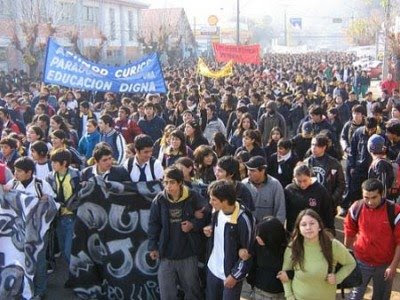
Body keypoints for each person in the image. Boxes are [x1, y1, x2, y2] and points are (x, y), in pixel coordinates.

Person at [148, 167, 206, 300]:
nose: (168, 186)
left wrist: (193, 224)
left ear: (180, 182)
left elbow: (206, 214)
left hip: (188, 254)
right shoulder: (160, 199)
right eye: (166, 182)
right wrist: (153, 246)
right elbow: (153, 224)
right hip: (166, 255)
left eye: (172, 182)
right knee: (167, 294)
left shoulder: (193, 196)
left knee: (192, 292)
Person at [279, 209, 356, 300]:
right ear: (299, 229)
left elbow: (351, 263)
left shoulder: (332, 245)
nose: (308, 227)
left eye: (312, 223)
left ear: (319, 227)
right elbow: (285, 275)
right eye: (303, 224)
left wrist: (337, 278)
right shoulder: (293, 247)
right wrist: (289, 296)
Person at [344, 179, 400, 300]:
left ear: (382, 194)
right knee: (355, 296)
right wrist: (344, 254)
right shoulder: (356, 208)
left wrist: (393, 266)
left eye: (374, 197)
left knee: (381, 297)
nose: (370, 201)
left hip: (384, 265)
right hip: (361, 262)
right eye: (366, 197)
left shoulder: (394, 211)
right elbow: (349, 231)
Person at [205, 180, 255, 300]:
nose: (210, 202)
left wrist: (235, 276)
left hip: (230, 276)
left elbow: (248, 253)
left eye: (214, 199)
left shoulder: (243, 220)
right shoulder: (216, 212)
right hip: (212, 270)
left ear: (225, 201)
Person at [46, 148, 80, 265]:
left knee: (68, 249)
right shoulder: (50, 177)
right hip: (58, 217)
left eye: (55, 162)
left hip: (72, 216)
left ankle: (74, 275)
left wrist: (73, 206)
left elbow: (80, 195)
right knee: (61, 246)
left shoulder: (76, 176)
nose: (52, 165)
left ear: (64, 163)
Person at [284, 164, 335, 232]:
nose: (302, 184)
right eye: (299, 181)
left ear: (310, 177)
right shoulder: (289, 190)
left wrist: (330, 230)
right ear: (294, 178)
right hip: (294, 231)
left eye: (305, 181)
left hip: (315, 230)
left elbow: (328, 212)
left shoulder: (320, 190)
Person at [247, 216, 287, 300]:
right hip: (260, 291)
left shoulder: (288, 249)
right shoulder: (257, 245)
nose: (258, 237)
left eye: (262, 235)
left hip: (284, 293)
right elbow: (252, 266)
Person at [305, 134, 345, 217]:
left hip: (327, 203)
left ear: (324, 147)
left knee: (328, 228)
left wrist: (332, 199)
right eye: (312, 144)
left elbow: (340, 184)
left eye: (316, 145)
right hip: (310, 202)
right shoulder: (306, 163)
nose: (313, 147)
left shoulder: (334, 163)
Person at [242, 156, 286, 223]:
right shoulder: (244, 185)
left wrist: (277, 230)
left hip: (268, 230)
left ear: (262, 170)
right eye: (248, 170)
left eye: (252, 171)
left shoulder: (275, 185)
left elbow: (280, 211)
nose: (249, 173)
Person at [367, 134, 395, 199]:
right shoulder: (380, 161)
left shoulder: (380, 164)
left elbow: (383, 186)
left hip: (381, 202)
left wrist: (381, 203)